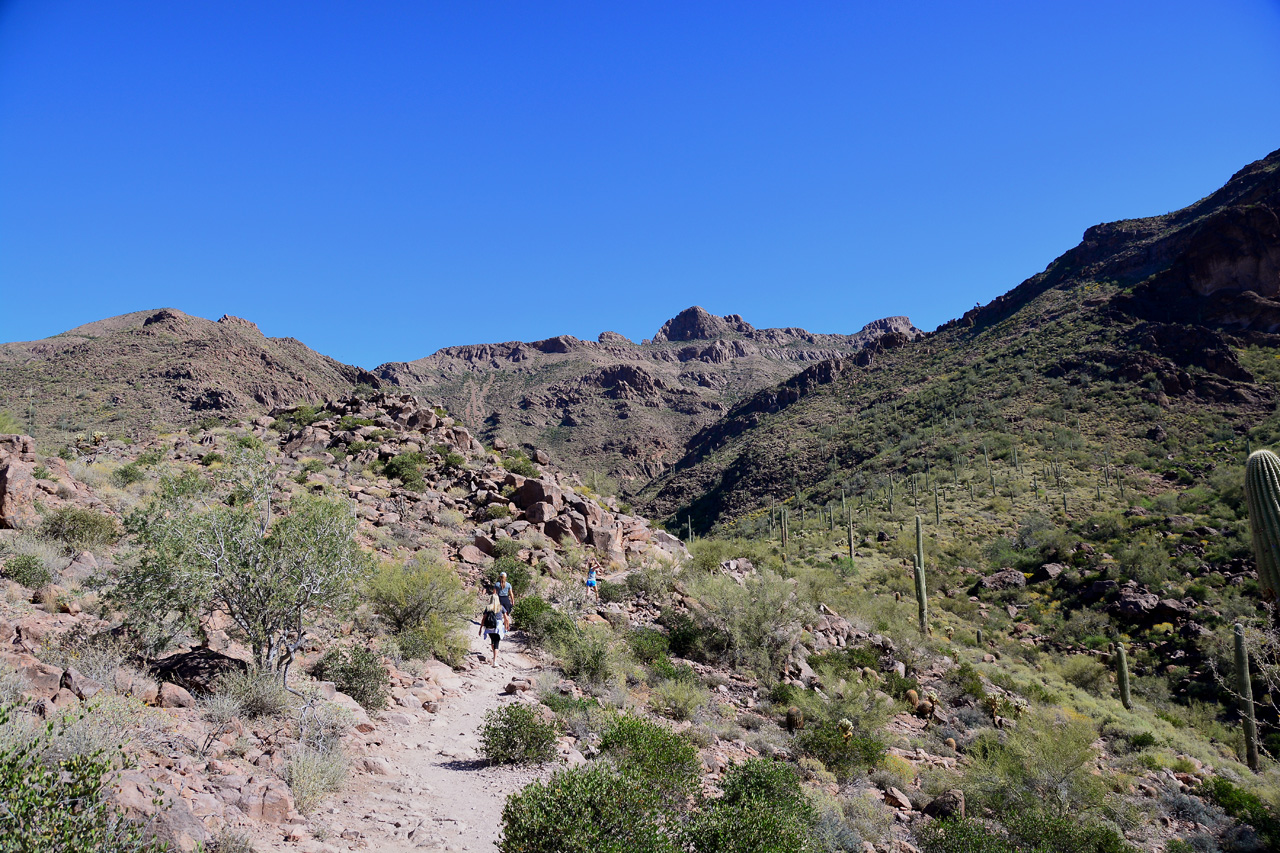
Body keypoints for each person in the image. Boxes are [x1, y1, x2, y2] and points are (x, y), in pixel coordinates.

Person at [478, 585, 505, 666]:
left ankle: (494, 656)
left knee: (492, 642)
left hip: (489, 627)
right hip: (498, 627)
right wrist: (507, 625)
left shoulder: (488, 607)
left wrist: (480, 628)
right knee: (496, 643)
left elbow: (484, 618)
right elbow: (506, 617)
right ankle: (495, 661)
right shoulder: (500, 607)